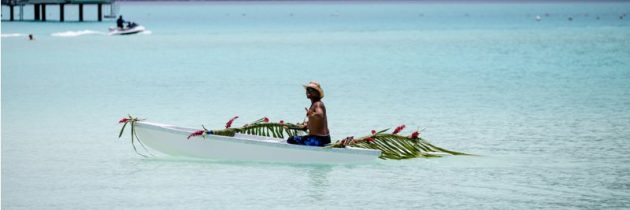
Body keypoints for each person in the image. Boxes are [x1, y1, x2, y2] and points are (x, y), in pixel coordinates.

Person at [287, 81, 331, 147]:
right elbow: (317, 121)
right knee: (292, 139)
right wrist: (307, 126)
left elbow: (320, 115)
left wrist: (313, 114)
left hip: (319, 139)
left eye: (311, 90)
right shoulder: (314, 104)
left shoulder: (318, 104)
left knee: (291, 139)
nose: (308, 92)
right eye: (307, 90)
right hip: (320, 138)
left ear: (317, 93)